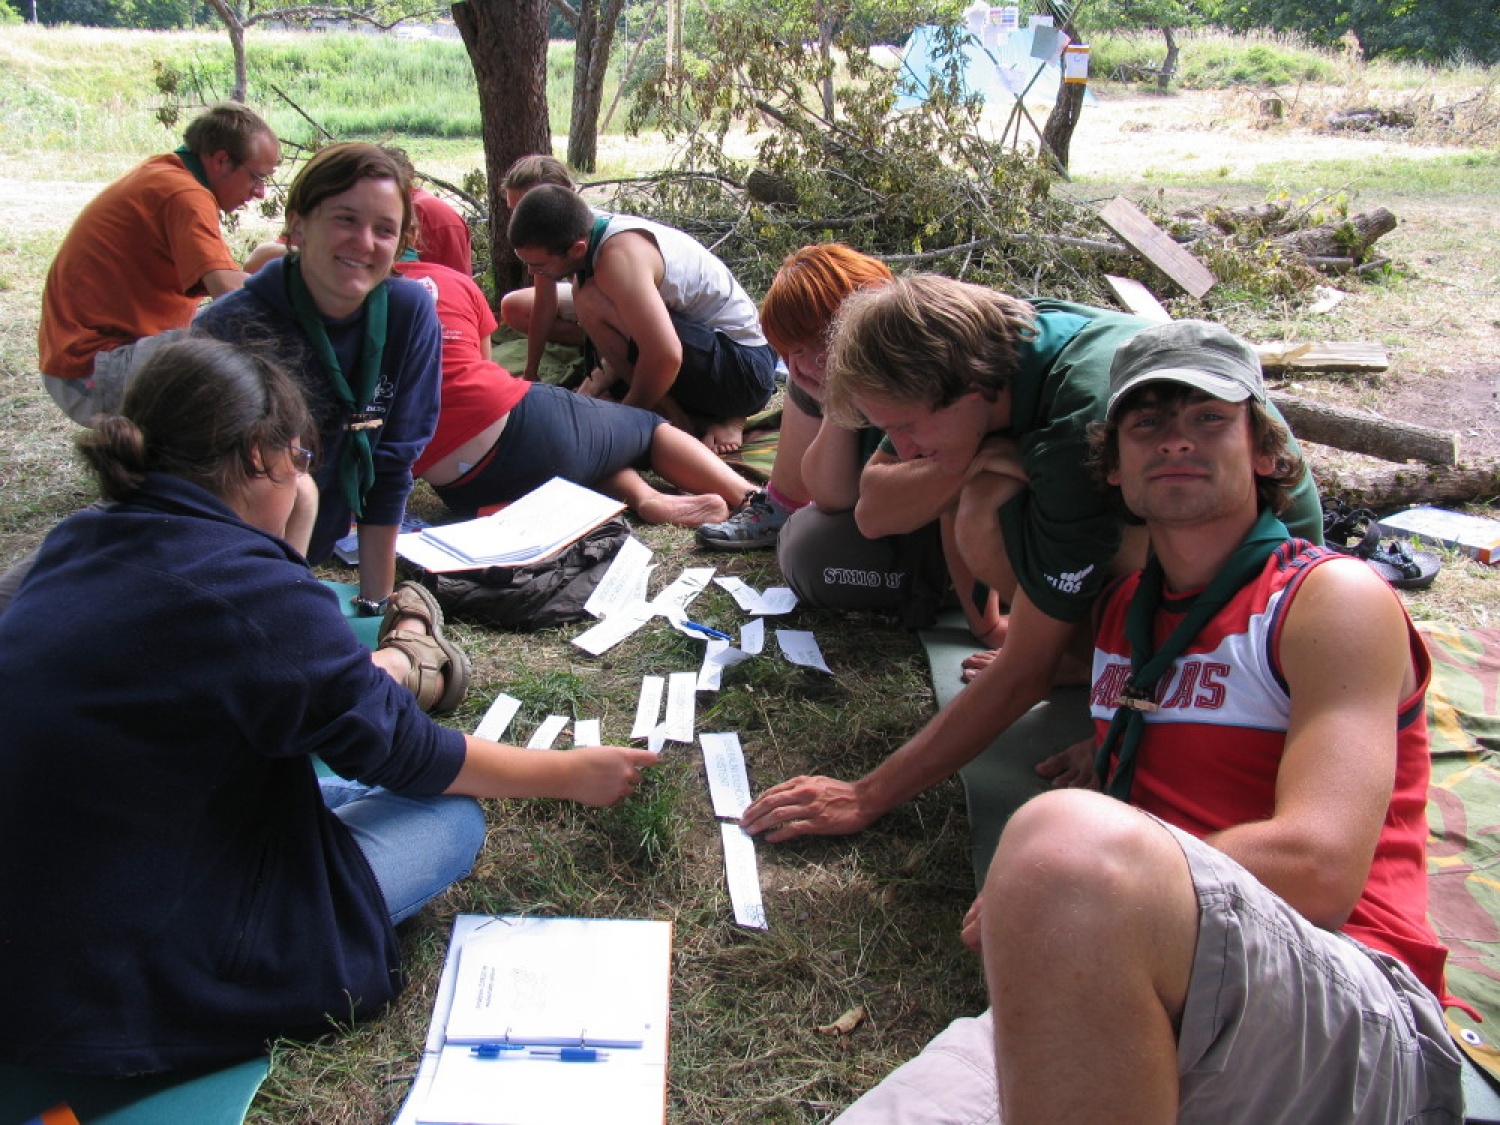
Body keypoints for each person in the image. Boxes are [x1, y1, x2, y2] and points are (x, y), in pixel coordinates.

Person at [832, 318, 1462, 1125]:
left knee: (1058, 838)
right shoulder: (1127, 613)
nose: (1175, 441)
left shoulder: (1329, 599)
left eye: (1209, 418)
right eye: (1147, 424)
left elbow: (1320, 868)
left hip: (1350, 1008)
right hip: (1135, 977)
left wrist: (1078, 882)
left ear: (1267, 452)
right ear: (1115, 471)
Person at [0, 337, 656, 1076]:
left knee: (323, 781)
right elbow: (413, 757)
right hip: (126, 980)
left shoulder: (72, 541)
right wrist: (570, 772)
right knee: (448, 817)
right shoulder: (256, 595)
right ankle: (407, 679)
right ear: (260, 455)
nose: (304, 477)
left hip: (33, 927)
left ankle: (400, 678)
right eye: (301, 459)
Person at [740, 280, 1324, 842]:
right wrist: (977, 458)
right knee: (983, 493)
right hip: (1180, 552)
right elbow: (874, 508)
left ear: (969, 388)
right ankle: (1110, 676)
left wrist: (867, 795)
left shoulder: (1075, 425)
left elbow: (1025, 671)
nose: (907, 448)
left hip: (1247, 587)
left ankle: (1135, 692)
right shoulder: (992, 345)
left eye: (908, 428)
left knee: (989, 507)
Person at [194, 142, 443, 625]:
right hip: (222, 561)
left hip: (308, 548)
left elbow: (391, 467)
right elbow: (203, 490)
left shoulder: (409, 314)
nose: (364, 242)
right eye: (345, 219)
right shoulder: (230, 328)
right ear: (298, 224)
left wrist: (375, 608)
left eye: (384, 229)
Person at [696, 244, 976, 632]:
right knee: (805, 540)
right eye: (793, 350)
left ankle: (957, 590)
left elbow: (903, 502)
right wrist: (836, 403)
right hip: (893, 510)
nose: (810, 361)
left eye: (822, 339)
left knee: (810, 553)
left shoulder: (913, 365)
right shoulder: (819, 371)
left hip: (963, 519)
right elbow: (829, 494)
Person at [393, 254, 761, 525]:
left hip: (461, 487)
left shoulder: (344, 305)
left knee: (591, 445)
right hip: (524, 429)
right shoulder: (451, 281)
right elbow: (483, 369)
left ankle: (646, 498)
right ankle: (752, 500)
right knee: (643, 427)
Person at [38, 101, 280, 426]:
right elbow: (232, 298)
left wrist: (266, 257)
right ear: (221, 160)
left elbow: (233, 282)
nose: (261, 193)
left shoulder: (165, 174)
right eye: (257, 177)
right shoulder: (185, 195)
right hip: (96, 372)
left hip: (82, 366)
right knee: (256, 339)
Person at [508, 183, 779, 453]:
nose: (533, 272)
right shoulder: (579, 228)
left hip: (745, 372)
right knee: (588, 300)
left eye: (539, 266)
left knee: (591, 300)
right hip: (713, 355)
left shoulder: (618, 258)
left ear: (577, 249)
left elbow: (665, 354)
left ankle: (687, 418)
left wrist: (626, 419)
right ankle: (677, 414)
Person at [497, 154, 587, 383]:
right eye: (515, 210)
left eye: (529, 207)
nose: (522, 220)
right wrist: (531, 371)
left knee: (591, 305)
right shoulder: (540, 237)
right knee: (513, 307)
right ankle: (591, 338)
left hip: (620, 305)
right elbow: (544, 301)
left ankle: (603, 341)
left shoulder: (590, 235)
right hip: (587, 296)